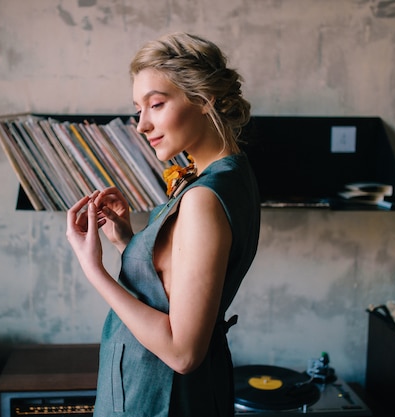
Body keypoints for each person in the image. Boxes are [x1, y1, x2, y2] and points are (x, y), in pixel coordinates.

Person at [66, 32, 260, 417]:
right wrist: (126, 241)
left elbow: (183, 352)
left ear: (205, 100)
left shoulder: (204, 197)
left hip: (161, 398)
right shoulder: (229, 174)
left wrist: (95, 270)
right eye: (139, 109)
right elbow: (179, 283)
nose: (141, 125)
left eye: (156, 105)